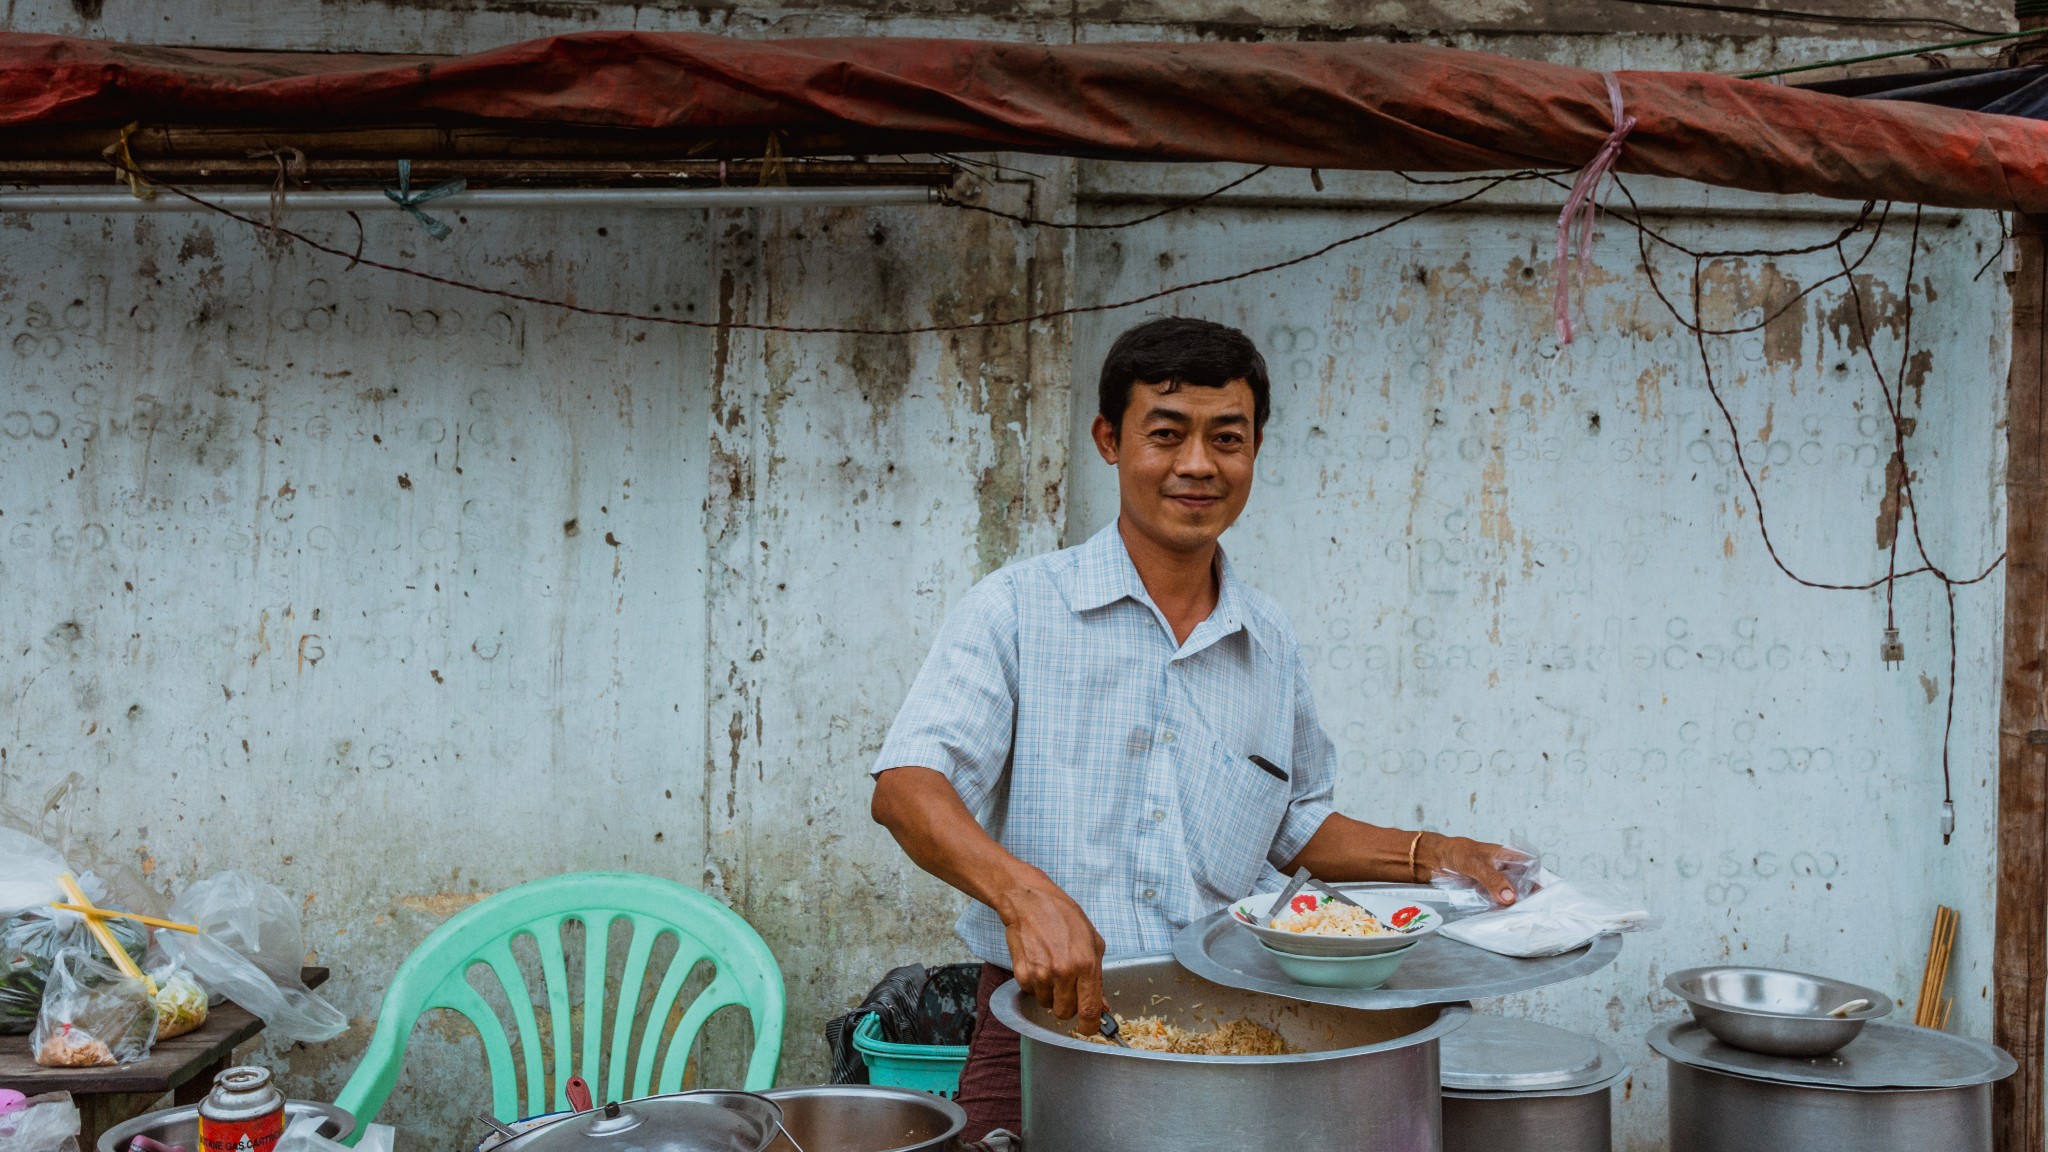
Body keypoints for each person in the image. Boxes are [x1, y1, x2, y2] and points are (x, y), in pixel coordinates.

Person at [869, 316, 1521, 1140]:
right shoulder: (1018, 609)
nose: (1198, 466)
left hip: (1237, 1022)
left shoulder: (1268, 641)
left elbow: (1295, 822)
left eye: (1228, 438)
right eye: (1167, 434)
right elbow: (908, 787)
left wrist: (1435, 855)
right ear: (1110, 440)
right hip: (1051, 1017)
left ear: (1254, 451)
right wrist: (1022, 893)